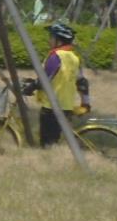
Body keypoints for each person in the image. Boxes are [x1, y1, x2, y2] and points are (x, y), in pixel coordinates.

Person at [30, 20, 90, 148]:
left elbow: (44, 80)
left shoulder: (55, 56)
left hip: (51, 106)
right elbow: (82, 82)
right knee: (55, 140)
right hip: (66, 105)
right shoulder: (74, 58)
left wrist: (31, 87)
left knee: (47, 144)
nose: (49, 40)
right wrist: (86, 103)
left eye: (51, 37)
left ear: (59, 40)